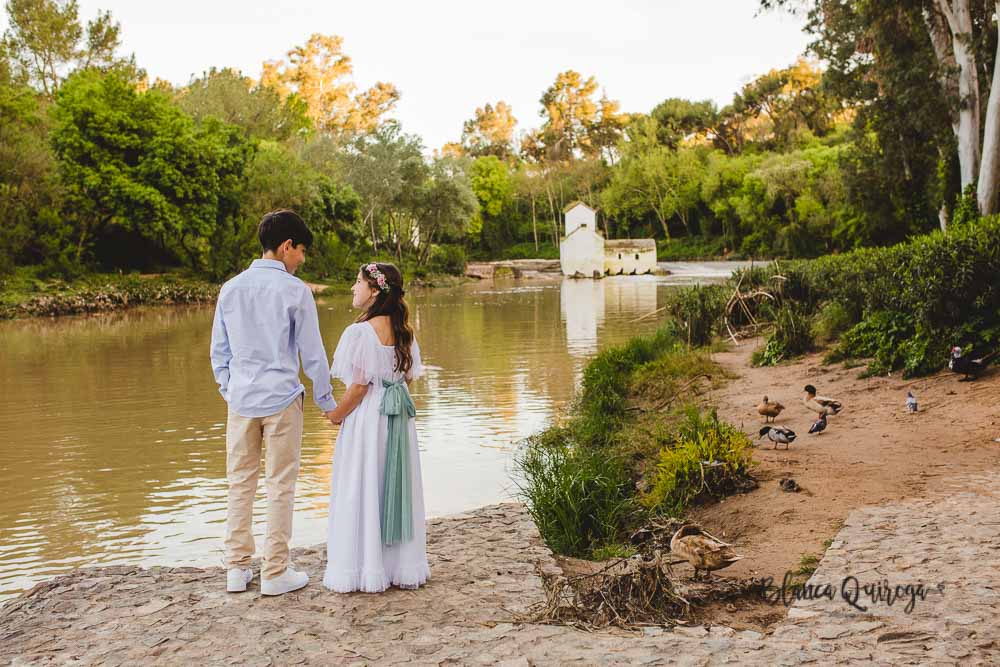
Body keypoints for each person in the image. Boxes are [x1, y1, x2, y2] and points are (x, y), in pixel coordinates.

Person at [210, 209, 337, 596]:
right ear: (286, 247)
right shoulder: (295, 291)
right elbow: (312, 354)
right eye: (302, 251)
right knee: (280, 485)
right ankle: (275, 571)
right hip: (282, 399)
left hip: (241, 401)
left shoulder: (231, 288)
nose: (302, 259)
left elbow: (220, 351)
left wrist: (230, 389)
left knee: (240, 483)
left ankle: (236, 568)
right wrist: (326, 400)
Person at [323, 262, 429, 593]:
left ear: (374, 291)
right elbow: (408, 380)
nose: (353, 287)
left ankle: (365, 567)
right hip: (397, 417)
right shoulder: (405, 333)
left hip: (369, 419)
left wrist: (336, 415)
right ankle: (400, 565)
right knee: (394, 483)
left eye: (358, 282)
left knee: (364, 483)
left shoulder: (359, 332)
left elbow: (359, 387)